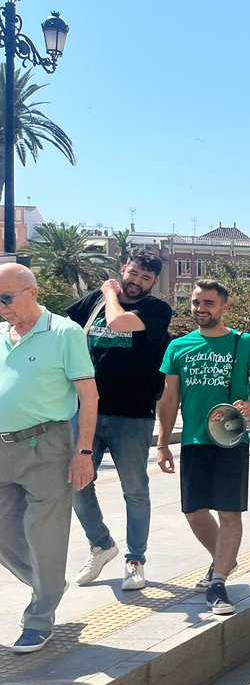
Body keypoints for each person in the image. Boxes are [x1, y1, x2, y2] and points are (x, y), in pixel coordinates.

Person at [156, 278, 250, 616]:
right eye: (196, 303)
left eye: (208, 303)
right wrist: (163, 443)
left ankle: (218, 580)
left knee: (229, 511)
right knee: (193, 511)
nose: (200, 309)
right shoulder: (178, 347)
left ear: (224, 307)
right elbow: (169, 398)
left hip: (231, 438)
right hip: (194, 440)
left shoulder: (242, 342)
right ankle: (226, 559)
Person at [0, 263, 98, 652]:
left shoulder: (64, 332)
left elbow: (89, 397)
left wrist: (84, 452)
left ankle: (40, 617)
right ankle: (49, 583)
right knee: (6, 534)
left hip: (46, 445)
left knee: (46, 535)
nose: (1, 306)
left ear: (31, 294)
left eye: (6, 298)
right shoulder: (2, 333)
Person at [68, 251, 173, 592]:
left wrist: (110, 294)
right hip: (86, 411)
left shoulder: (156, 310)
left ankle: (135, 559)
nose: (138, 281)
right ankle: (101, 544)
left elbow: (119, 323)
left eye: (146, 278)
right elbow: (63, 333)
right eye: (134, 273)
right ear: (123, 269)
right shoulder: (92, 303)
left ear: (154, 283)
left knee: (134, 490)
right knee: (76, 483)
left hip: (132, 414)